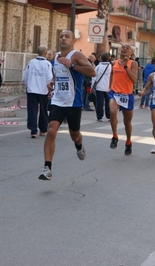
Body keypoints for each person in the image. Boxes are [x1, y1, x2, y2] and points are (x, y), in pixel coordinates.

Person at [38, 29, 95, 180]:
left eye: (67, 36)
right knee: (51, 131)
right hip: (57, 100)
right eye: (61, 36)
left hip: (73, 102)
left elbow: (92, 72)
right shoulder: (55, 57)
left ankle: (79, 145)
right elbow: (59, 74)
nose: (63, 38)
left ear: (73, 40)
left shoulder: (76, 55)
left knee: (74, 134)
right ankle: (47, 168)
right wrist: (52, 82)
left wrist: (72, 65)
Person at [108, 43, 138, 155]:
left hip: (127, 95)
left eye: (127, 48)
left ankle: (128, 141)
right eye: (123, 48)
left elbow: (134, 79)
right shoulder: (114, 63)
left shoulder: (133, 63)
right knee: (112, 111)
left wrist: (125, 66)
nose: (125, 49)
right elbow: (112, 74)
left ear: (131, 52)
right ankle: (115, 136)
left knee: (127, 122)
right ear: (120, 50)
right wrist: (109, 86)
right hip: (115, 93)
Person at [23, 45, 53, 138]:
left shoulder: (31, 62)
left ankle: (33, 130)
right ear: (45, 53)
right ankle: (43, 130)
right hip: (43, 90)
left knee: (32, 110)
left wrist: (27, 85)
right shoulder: (47, 64)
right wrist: (50, 90)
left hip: (32, 90)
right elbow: (50, 78)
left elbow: (25, 76)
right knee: (43, 110)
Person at [91, 51, 111, 122]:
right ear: (108, 58)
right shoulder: (111, 67)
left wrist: (92, 87)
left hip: (99, 87)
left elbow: (94, 77)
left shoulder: (98, 67)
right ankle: (109, 116)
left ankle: (99, 117)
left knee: (100, 102)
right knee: (108, 102)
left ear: (101, 58)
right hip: (108, 87)